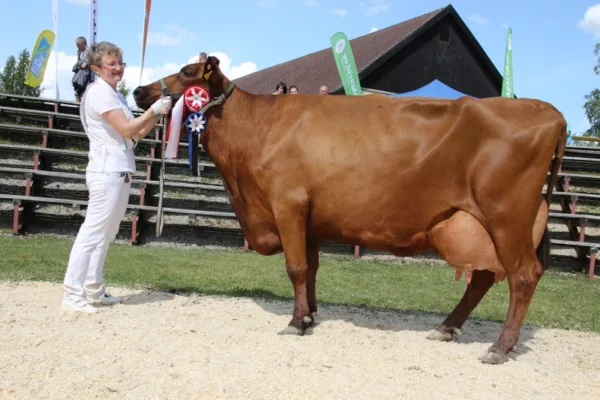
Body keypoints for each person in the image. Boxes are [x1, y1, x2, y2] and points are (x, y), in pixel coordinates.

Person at [61, 41, 172, 313]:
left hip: (120, 167)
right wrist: (152, 110)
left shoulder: (115, 95)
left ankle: (94, 287)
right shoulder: (99, 92)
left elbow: (134, 135)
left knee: (106, 233)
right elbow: (126, 128)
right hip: (105, 169)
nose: (118, 68)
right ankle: (72, 294)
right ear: (97, 68)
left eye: (120, 63)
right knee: (92, 232)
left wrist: (158, 116)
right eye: (112, 64)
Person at [72, 37, 92, 102]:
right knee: (77, 91)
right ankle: (78, 107)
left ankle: (80, 108)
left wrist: (81, 64)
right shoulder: (83, 53)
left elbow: (84, 65)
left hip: (86, 76)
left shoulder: (89, 52)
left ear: (82, 43)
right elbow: (79, 64)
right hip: (81, 75)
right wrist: (78, 56)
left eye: (77, 45)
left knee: (82, 92)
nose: (77, 47)